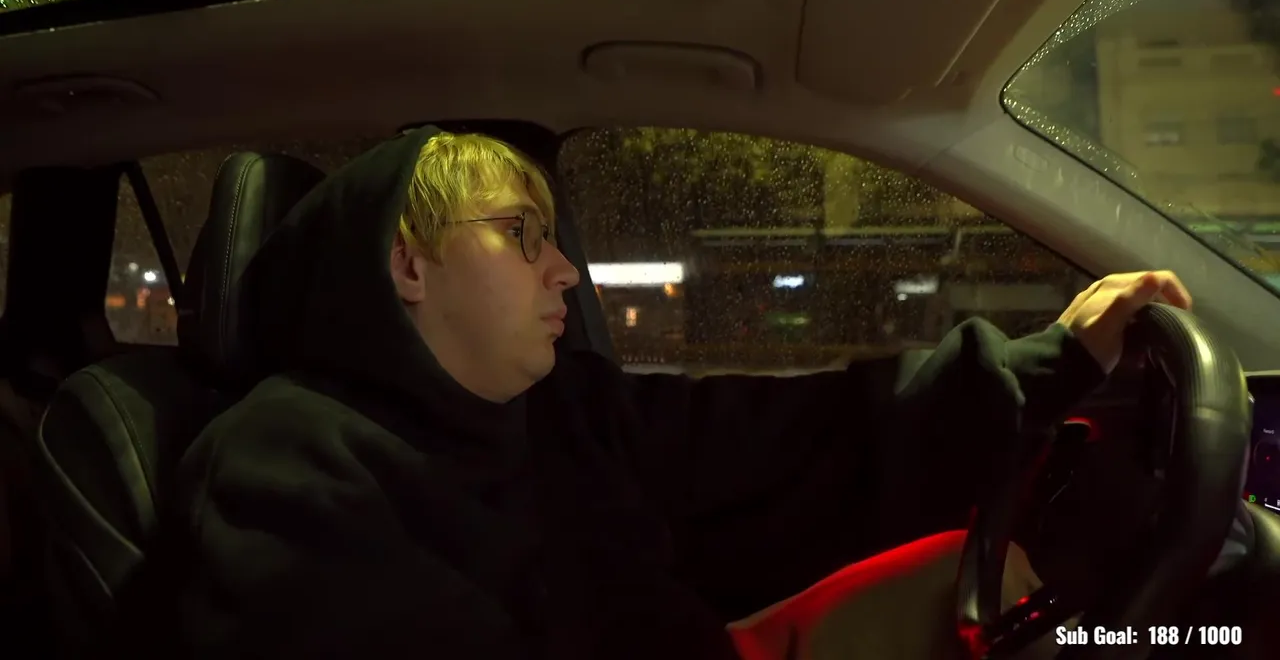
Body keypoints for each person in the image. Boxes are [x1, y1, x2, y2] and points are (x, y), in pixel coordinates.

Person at [164, 126, 1192, 659]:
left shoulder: (560, 410)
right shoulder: (281, 471)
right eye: (521, 235)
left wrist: (1050, 360)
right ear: (407, 266)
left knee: (984, 581)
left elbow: (788, 437)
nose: (564, 270)